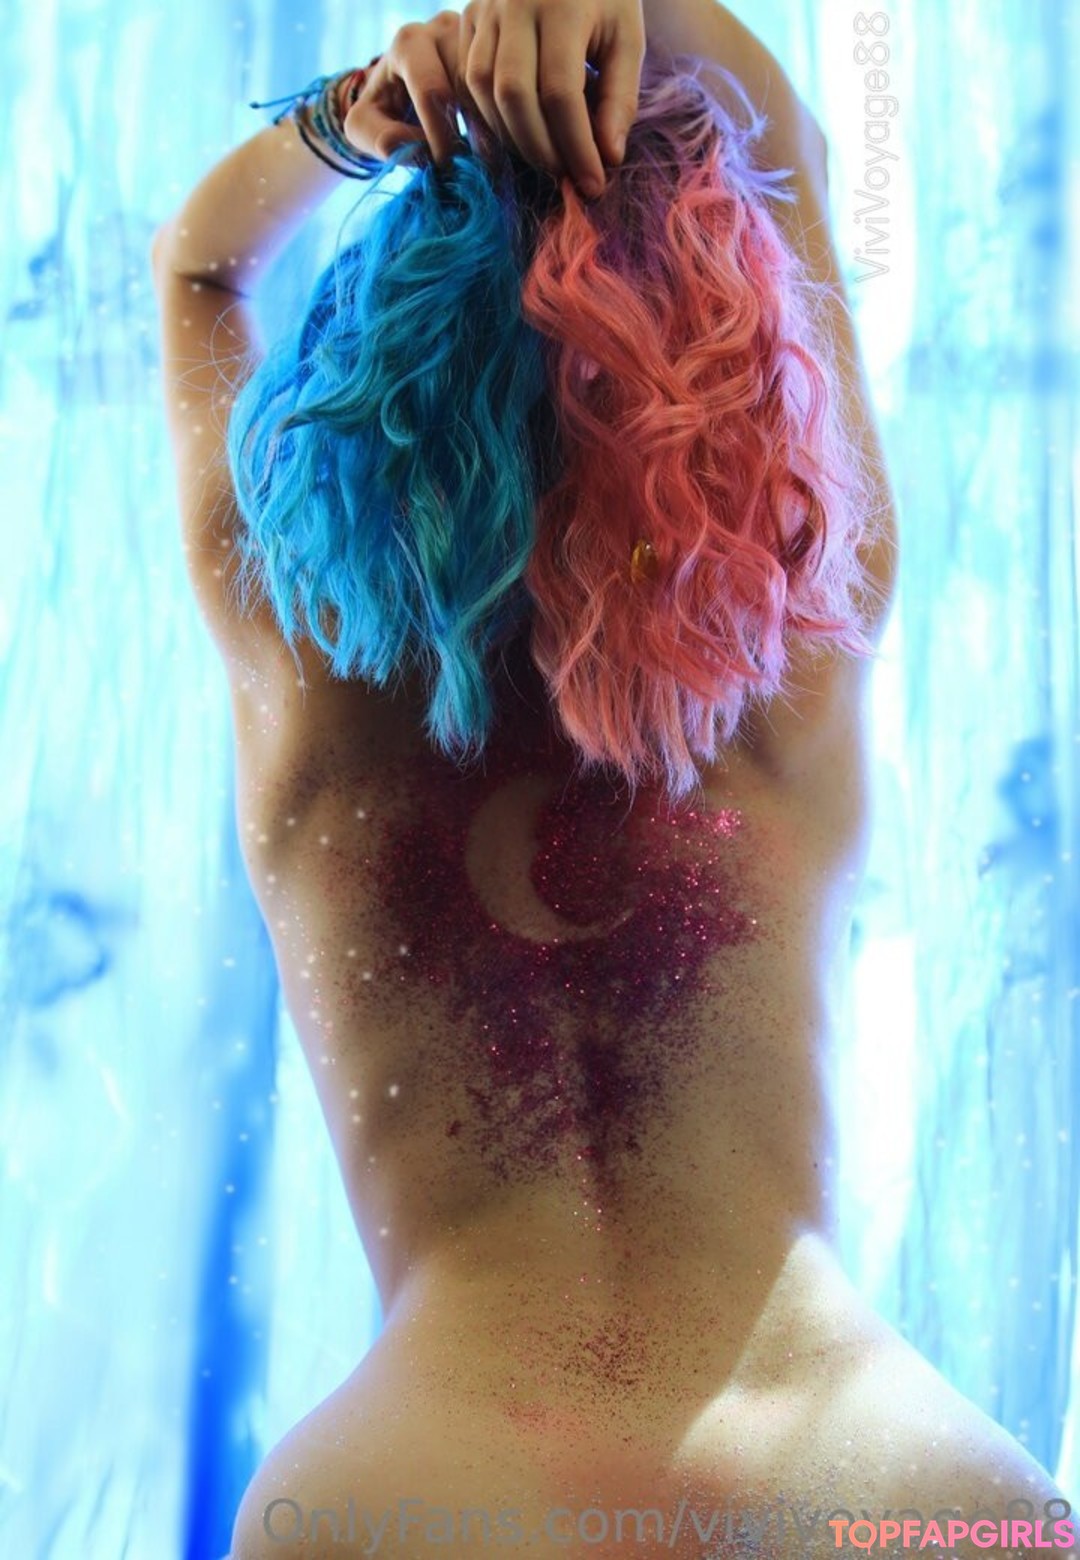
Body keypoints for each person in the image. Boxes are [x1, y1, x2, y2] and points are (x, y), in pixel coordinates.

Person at [149, 3, 1075, 1556]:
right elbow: (789, 137)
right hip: (890, 1484)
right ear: (720, 368)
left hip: (413, 1491)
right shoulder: (800, 631)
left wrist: (365, 113)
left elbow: (199, 268)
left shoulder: (302, 666)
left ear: (373, 379)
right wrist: (631, 18)